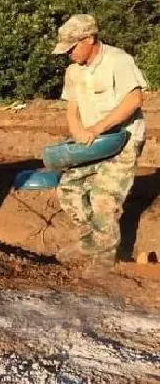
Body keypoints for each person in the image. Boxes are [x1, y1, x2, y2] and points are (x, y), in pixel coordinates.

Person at [52, 14, 147, 268]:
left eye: (71, 48)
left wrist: (96, 129)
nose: (68, 54)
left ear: (90, 39)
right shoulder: (73, 71)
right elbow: (72, 108)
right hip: (93, 141)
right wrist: (76, 135)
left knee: (102, 198)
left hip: (122, 138)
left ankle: (105, 261)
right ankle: (90, 242)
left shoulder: (118, 61)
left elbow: (134, 100)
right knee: (69, 189)